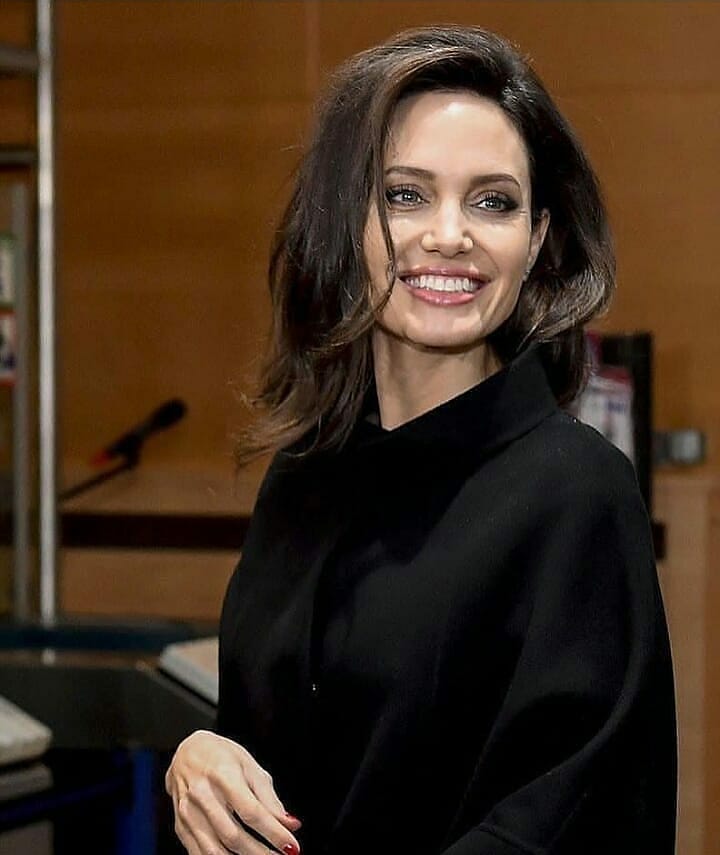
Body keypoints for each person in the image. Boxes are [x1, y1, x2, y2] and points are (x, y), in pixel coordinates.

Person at [165, 25, 677, 855]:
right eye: (406, 195)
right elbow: (271, 745)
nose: (449, 234)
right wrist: (200, 756)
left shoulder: (578, 493)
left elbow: (569, 820)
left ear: (536, 240)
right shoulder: (305, 476)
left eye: (492, 201)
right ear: (347, 224)